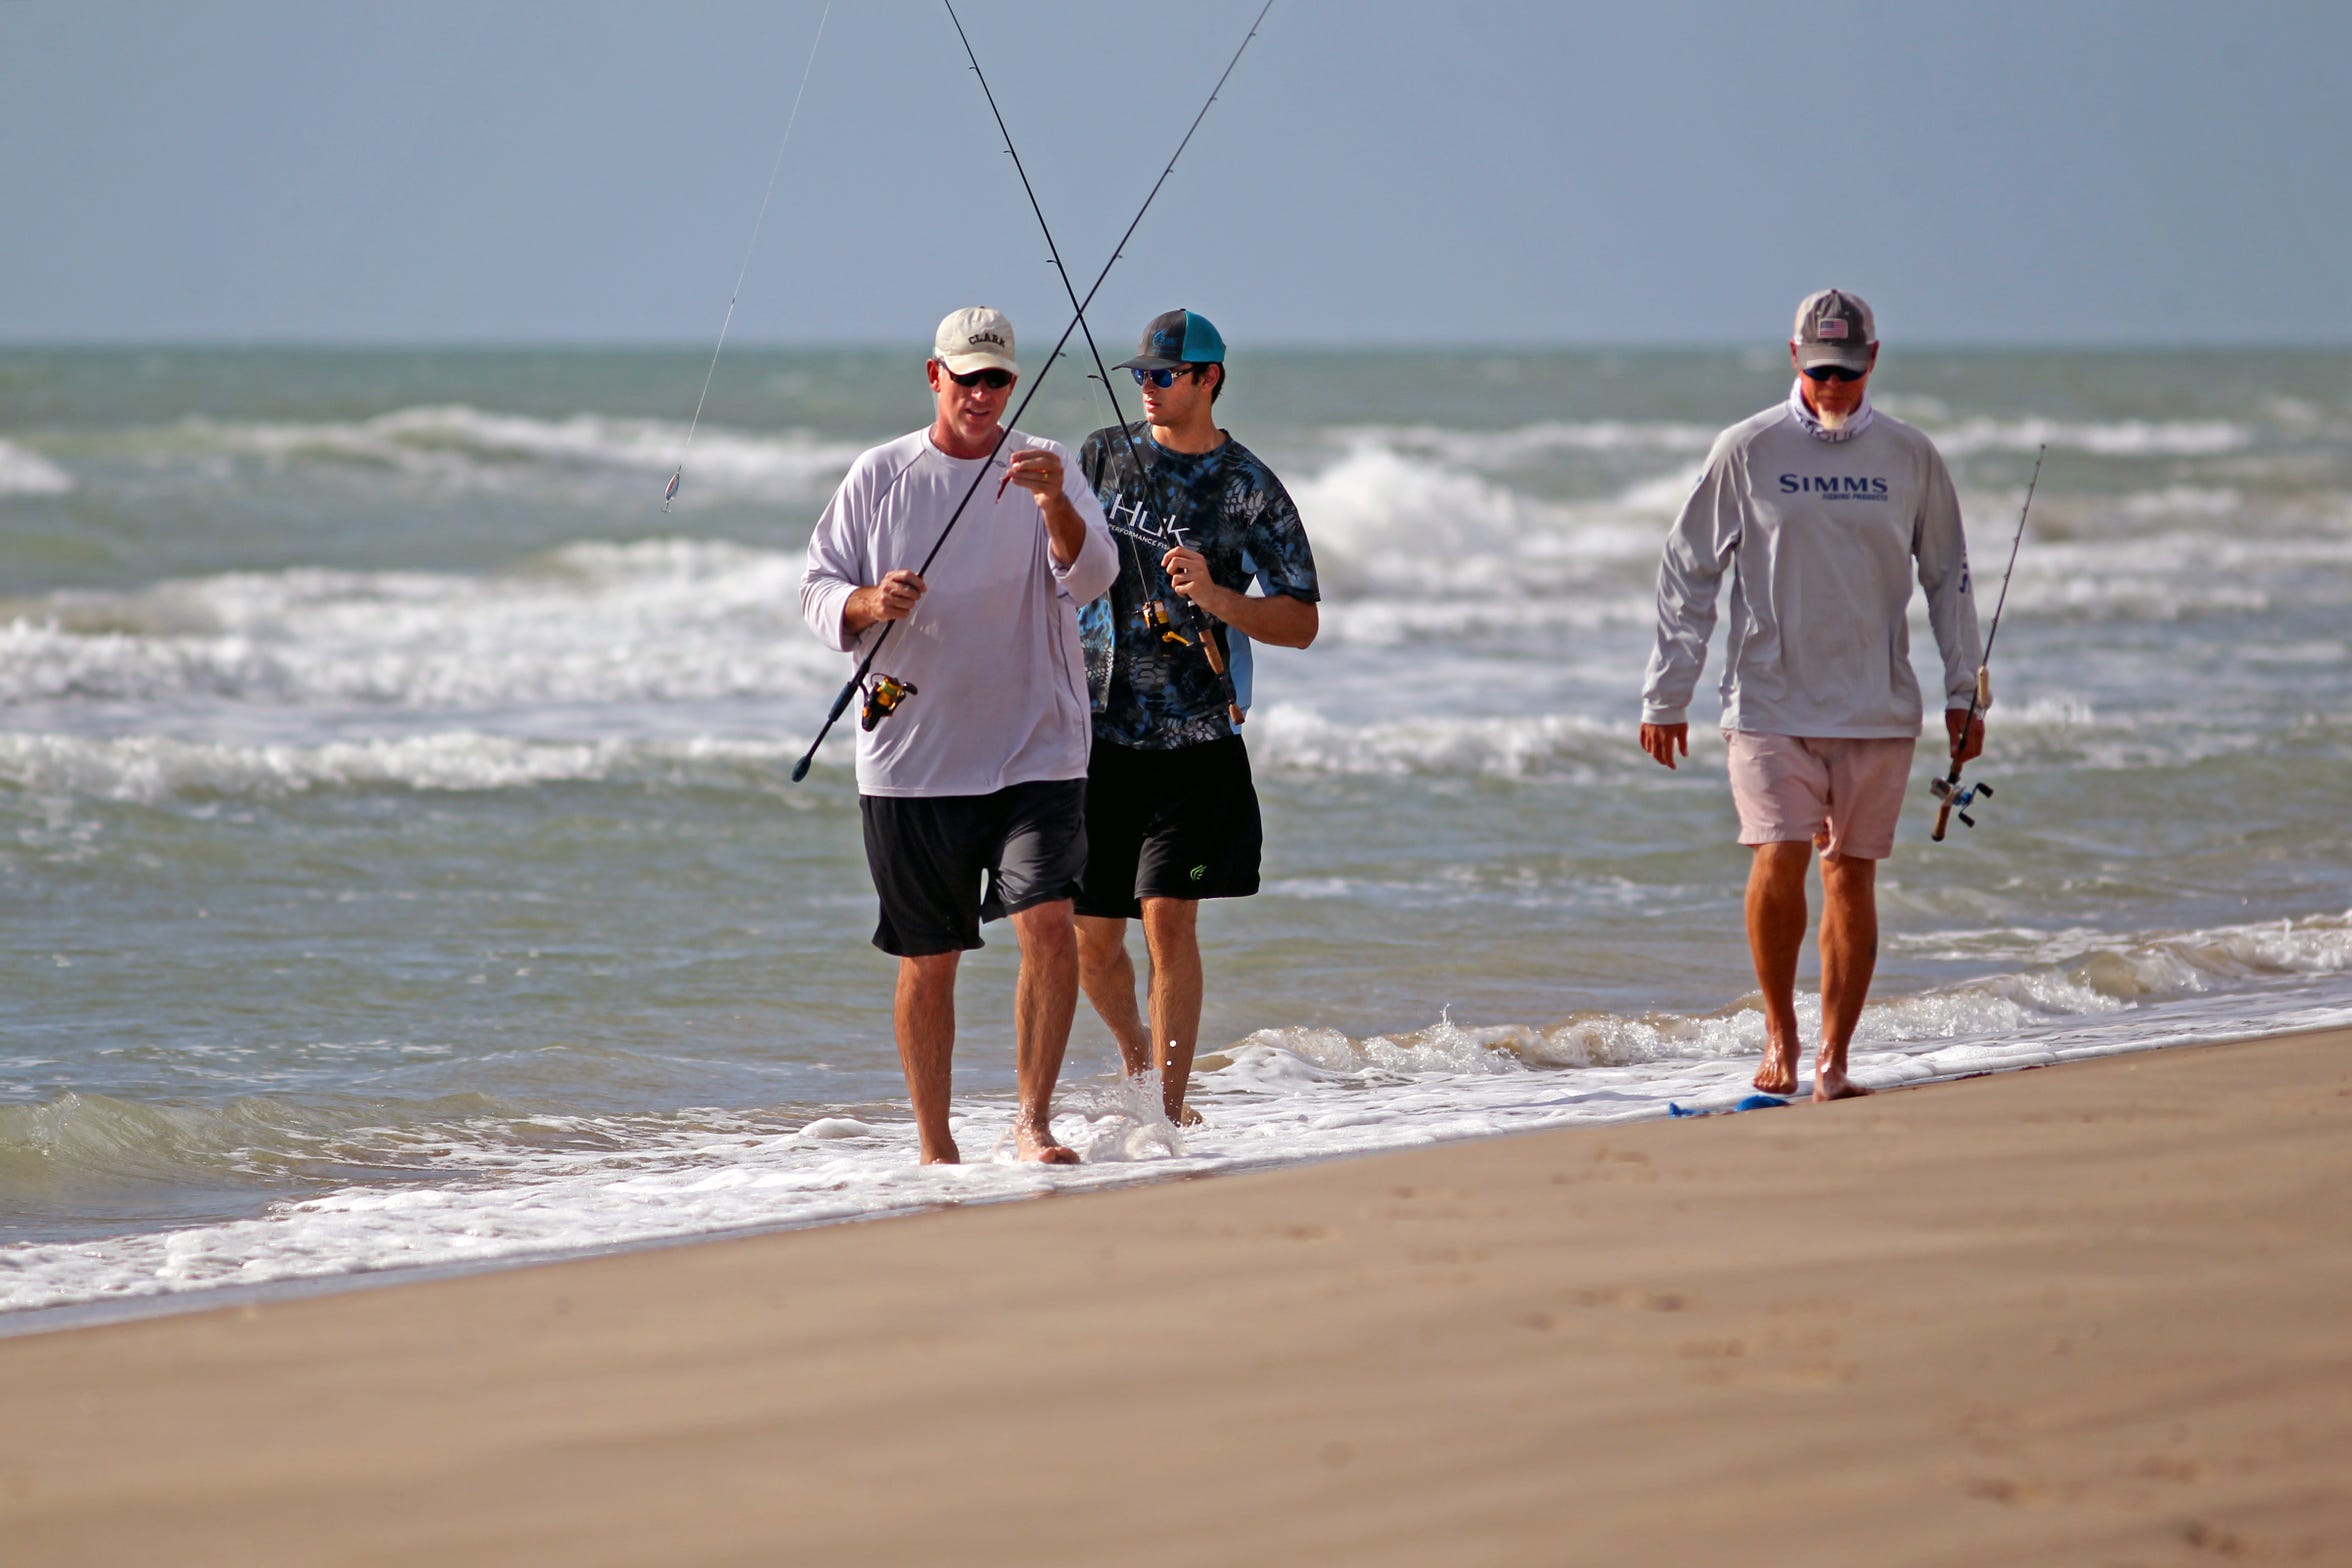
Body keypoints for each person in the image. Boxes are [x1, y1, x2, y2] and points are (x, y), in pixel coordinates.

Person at [1638, 289, 1984, 1102]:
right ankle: (1780, 1038)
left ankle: (1835, 1060)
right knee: (1779, 855)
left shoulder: (1910, 456)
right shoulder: (1748, 448)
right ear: (1794, 358)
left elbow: (1949, 578)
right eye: (1821, 370)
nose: (1834, 387)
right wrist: (1666, 693)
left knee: (1850, 880)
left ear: (1873, 363)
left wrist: (1965, 693)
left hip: (1876, 705)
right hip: (1767, 699)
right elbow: (1688, 567)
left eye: (1849, 373)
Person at [799, 306, 1117, 1164]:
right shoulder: (880, 474)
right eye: (966, 376)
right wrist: (868, 603)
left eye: (997, 378)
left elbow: (1093, 577)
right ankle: (936, 1148)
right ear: (934, 377)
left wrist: (1054, 503)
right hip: (913, 759)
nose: (981, 393)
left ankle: (1032, 1122)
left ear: (1013, 382)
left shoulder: (1045, 465)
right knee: (928, 959)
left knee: (1049, 922)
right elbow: (818, 588)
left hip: (1038, 746)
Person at [1070, 309, 1320, 1124]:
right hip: (1097, 734)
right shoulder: (1102, 456)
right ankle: (1139, 1060)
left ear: (1210, 378)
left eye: (1165, 376)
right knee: (1091, 944)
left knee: (1168, 921)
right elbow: (1059, 561)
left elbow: (1302, 621)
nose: (1148, 388)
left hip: (1196, 741)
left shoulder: (1248, 485)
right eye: (1140, 375)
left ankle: (1165, 1113)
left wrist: (1217, 597)